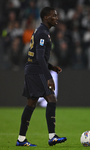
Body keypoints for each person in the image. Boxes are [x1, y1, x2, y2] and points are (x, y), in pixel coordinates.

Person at [16, 7, 67, 147]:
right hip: (36, 71)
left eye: (56, 15)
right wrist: (49, 76)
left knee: (31, 104)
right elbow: (39, 57)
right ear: (46, 18)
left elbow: (39, 56)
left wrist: (52, 67)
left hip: (31, 69)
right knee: (51, 99)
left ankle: (21, 139)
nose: (56, 18)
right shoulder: (43, 33)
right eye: (54, 16)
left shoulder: (41, 30)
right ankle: (52, 136)